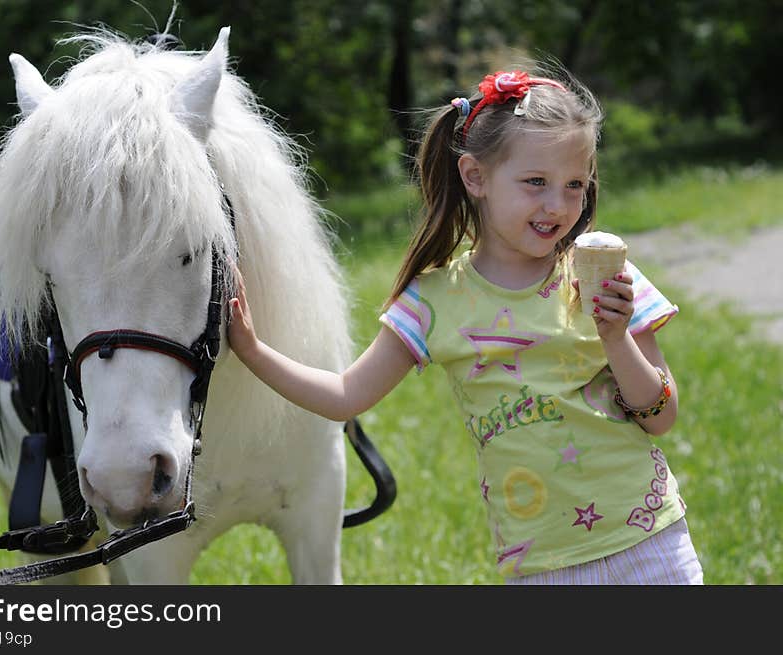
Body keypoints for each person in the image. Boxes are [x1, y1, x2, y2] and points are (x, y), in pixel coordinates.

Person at [226, 65, 703, 584]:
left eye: (574, 186)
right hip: (543, 566)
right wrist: (251, 350)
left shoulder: (608, 278)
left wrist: (616, 338)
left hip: (652, 543)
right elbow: (345, 396)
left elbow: (661, 416)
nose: (558, 206)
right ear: (475, 176)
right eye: (535, 183)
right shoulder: (435, 300)